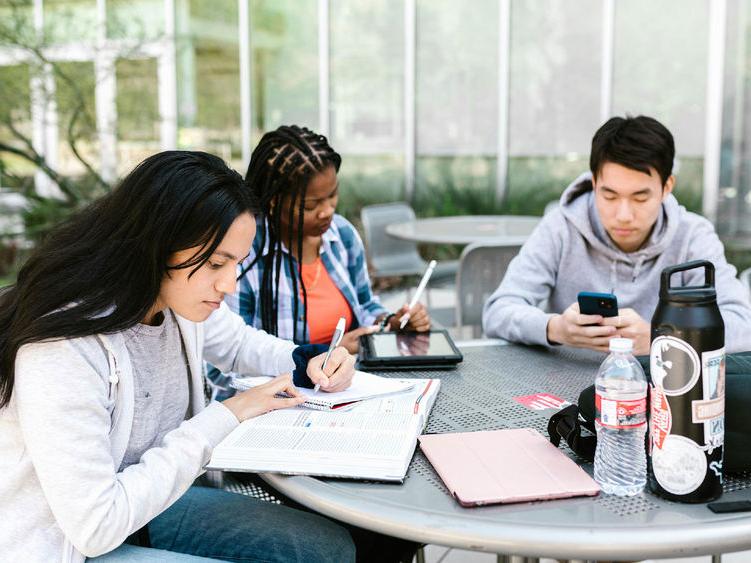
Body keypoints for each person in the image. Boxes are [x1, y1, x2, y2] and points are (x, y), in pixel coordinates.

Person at [0, 151, 357, 562]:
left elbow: (240, 344)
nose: (228, 283)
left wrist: (310, 360)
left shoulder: (173, 300)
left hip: (142, 507)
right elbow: (95, 527)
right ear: (157, 243)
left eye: (237, 263)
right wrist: (227, 415)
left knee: (325, 549)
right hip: (66, 545)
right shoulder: (64, 347)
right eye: (216, 263)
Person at [483, 115, 751, 355]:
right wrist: (555, 328)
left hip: (660, 391)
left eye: (640, 197)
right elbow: (498, 311)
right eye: (609, 195)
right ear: (594, 183)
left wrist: (662, 338)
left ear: (667, 186)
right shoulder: (561, 228)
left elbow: (743, 326)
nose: (623, 214)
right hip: (564, 388)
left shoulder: (693, 236)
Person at [208, 125, 430, 397]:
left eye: (332, 196)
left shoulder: (342, 236)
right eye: (310, 206)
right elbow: (224, 361)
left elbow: (365, 305)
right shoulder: (245, 251)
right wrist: (321, 355)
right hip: (272, 404)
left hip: (346, 391)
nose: (327, 211)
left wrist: (391, 322)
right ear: (274, 201)